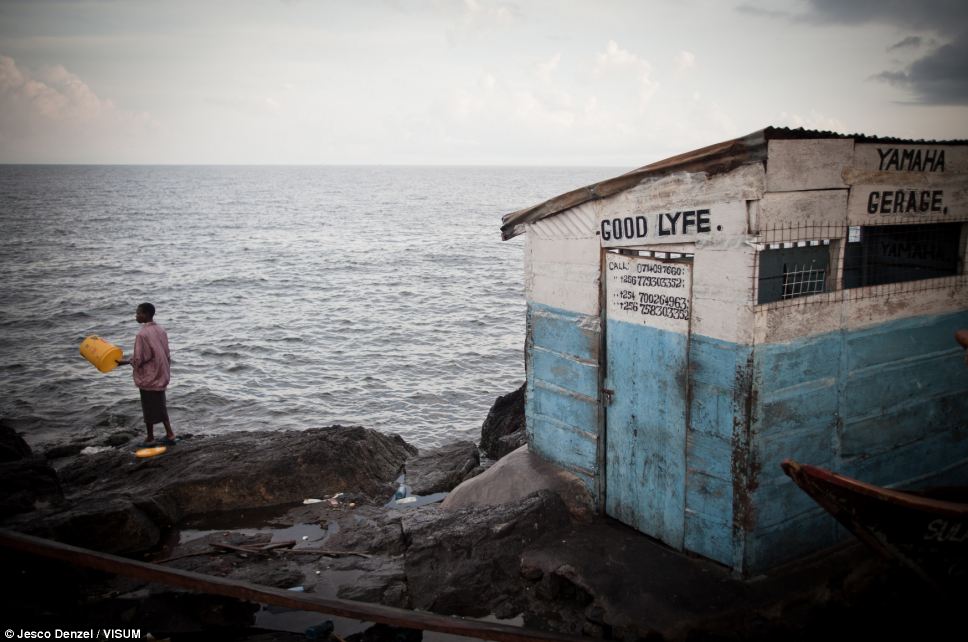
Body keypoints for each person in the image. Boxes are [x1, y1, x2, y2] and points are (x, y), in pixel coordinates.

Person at [117, 302, 177, 446]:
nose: (136, 315)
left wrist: (124, 362)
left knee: (148, 406)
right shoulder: (160, 330)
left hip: (149, 375)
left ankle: (152, 436)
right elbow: (167, 352)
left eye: (138, 313)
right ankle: (167, 433)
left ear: (146, 314)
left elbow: (139, 359)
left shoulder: (142, 334)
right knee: (160, 405)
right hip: (161, 372)